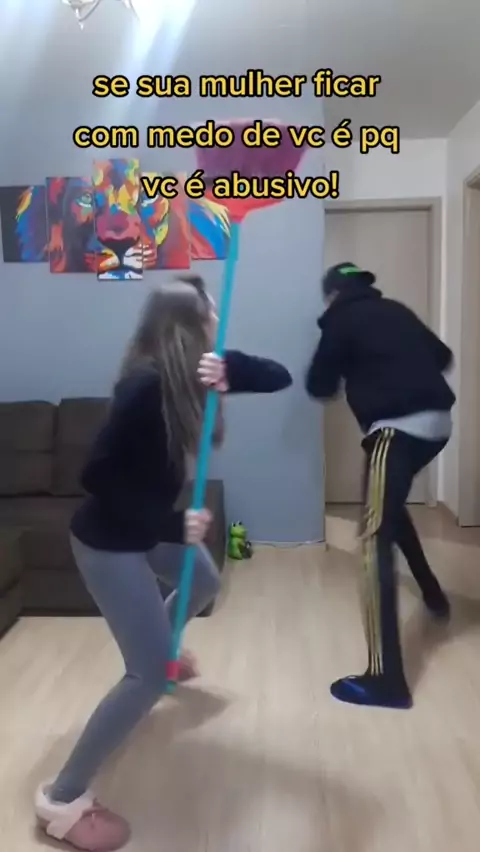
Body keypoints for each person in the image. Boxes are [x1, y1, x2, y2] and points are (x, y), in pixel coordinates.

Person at [35, 275, 292, 851]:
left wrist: (231, 369)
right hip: (110, 541)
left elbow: (280, 376)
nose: (217, 321)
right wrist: (172, 526)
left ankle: (167, 654)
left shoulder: (191, 373)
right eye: (210, 313)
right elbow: (95, 476)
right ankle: (61, 798)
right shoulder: (145, 387)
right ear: (187, 324)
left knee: (203, 578)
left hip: (140, 530)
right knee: (145, 675)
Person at [306, 262, 455, 711]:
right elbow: (443, 356)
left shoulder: (338, 321)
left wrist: (350, 372)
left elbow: (319, 385)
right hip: (438, 427)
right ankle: (433, 594)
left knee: (373, 540)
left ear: (332, 295)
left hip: (395, 430)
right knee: (385, 508)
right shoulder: (396, 310)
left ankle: (385, 679)